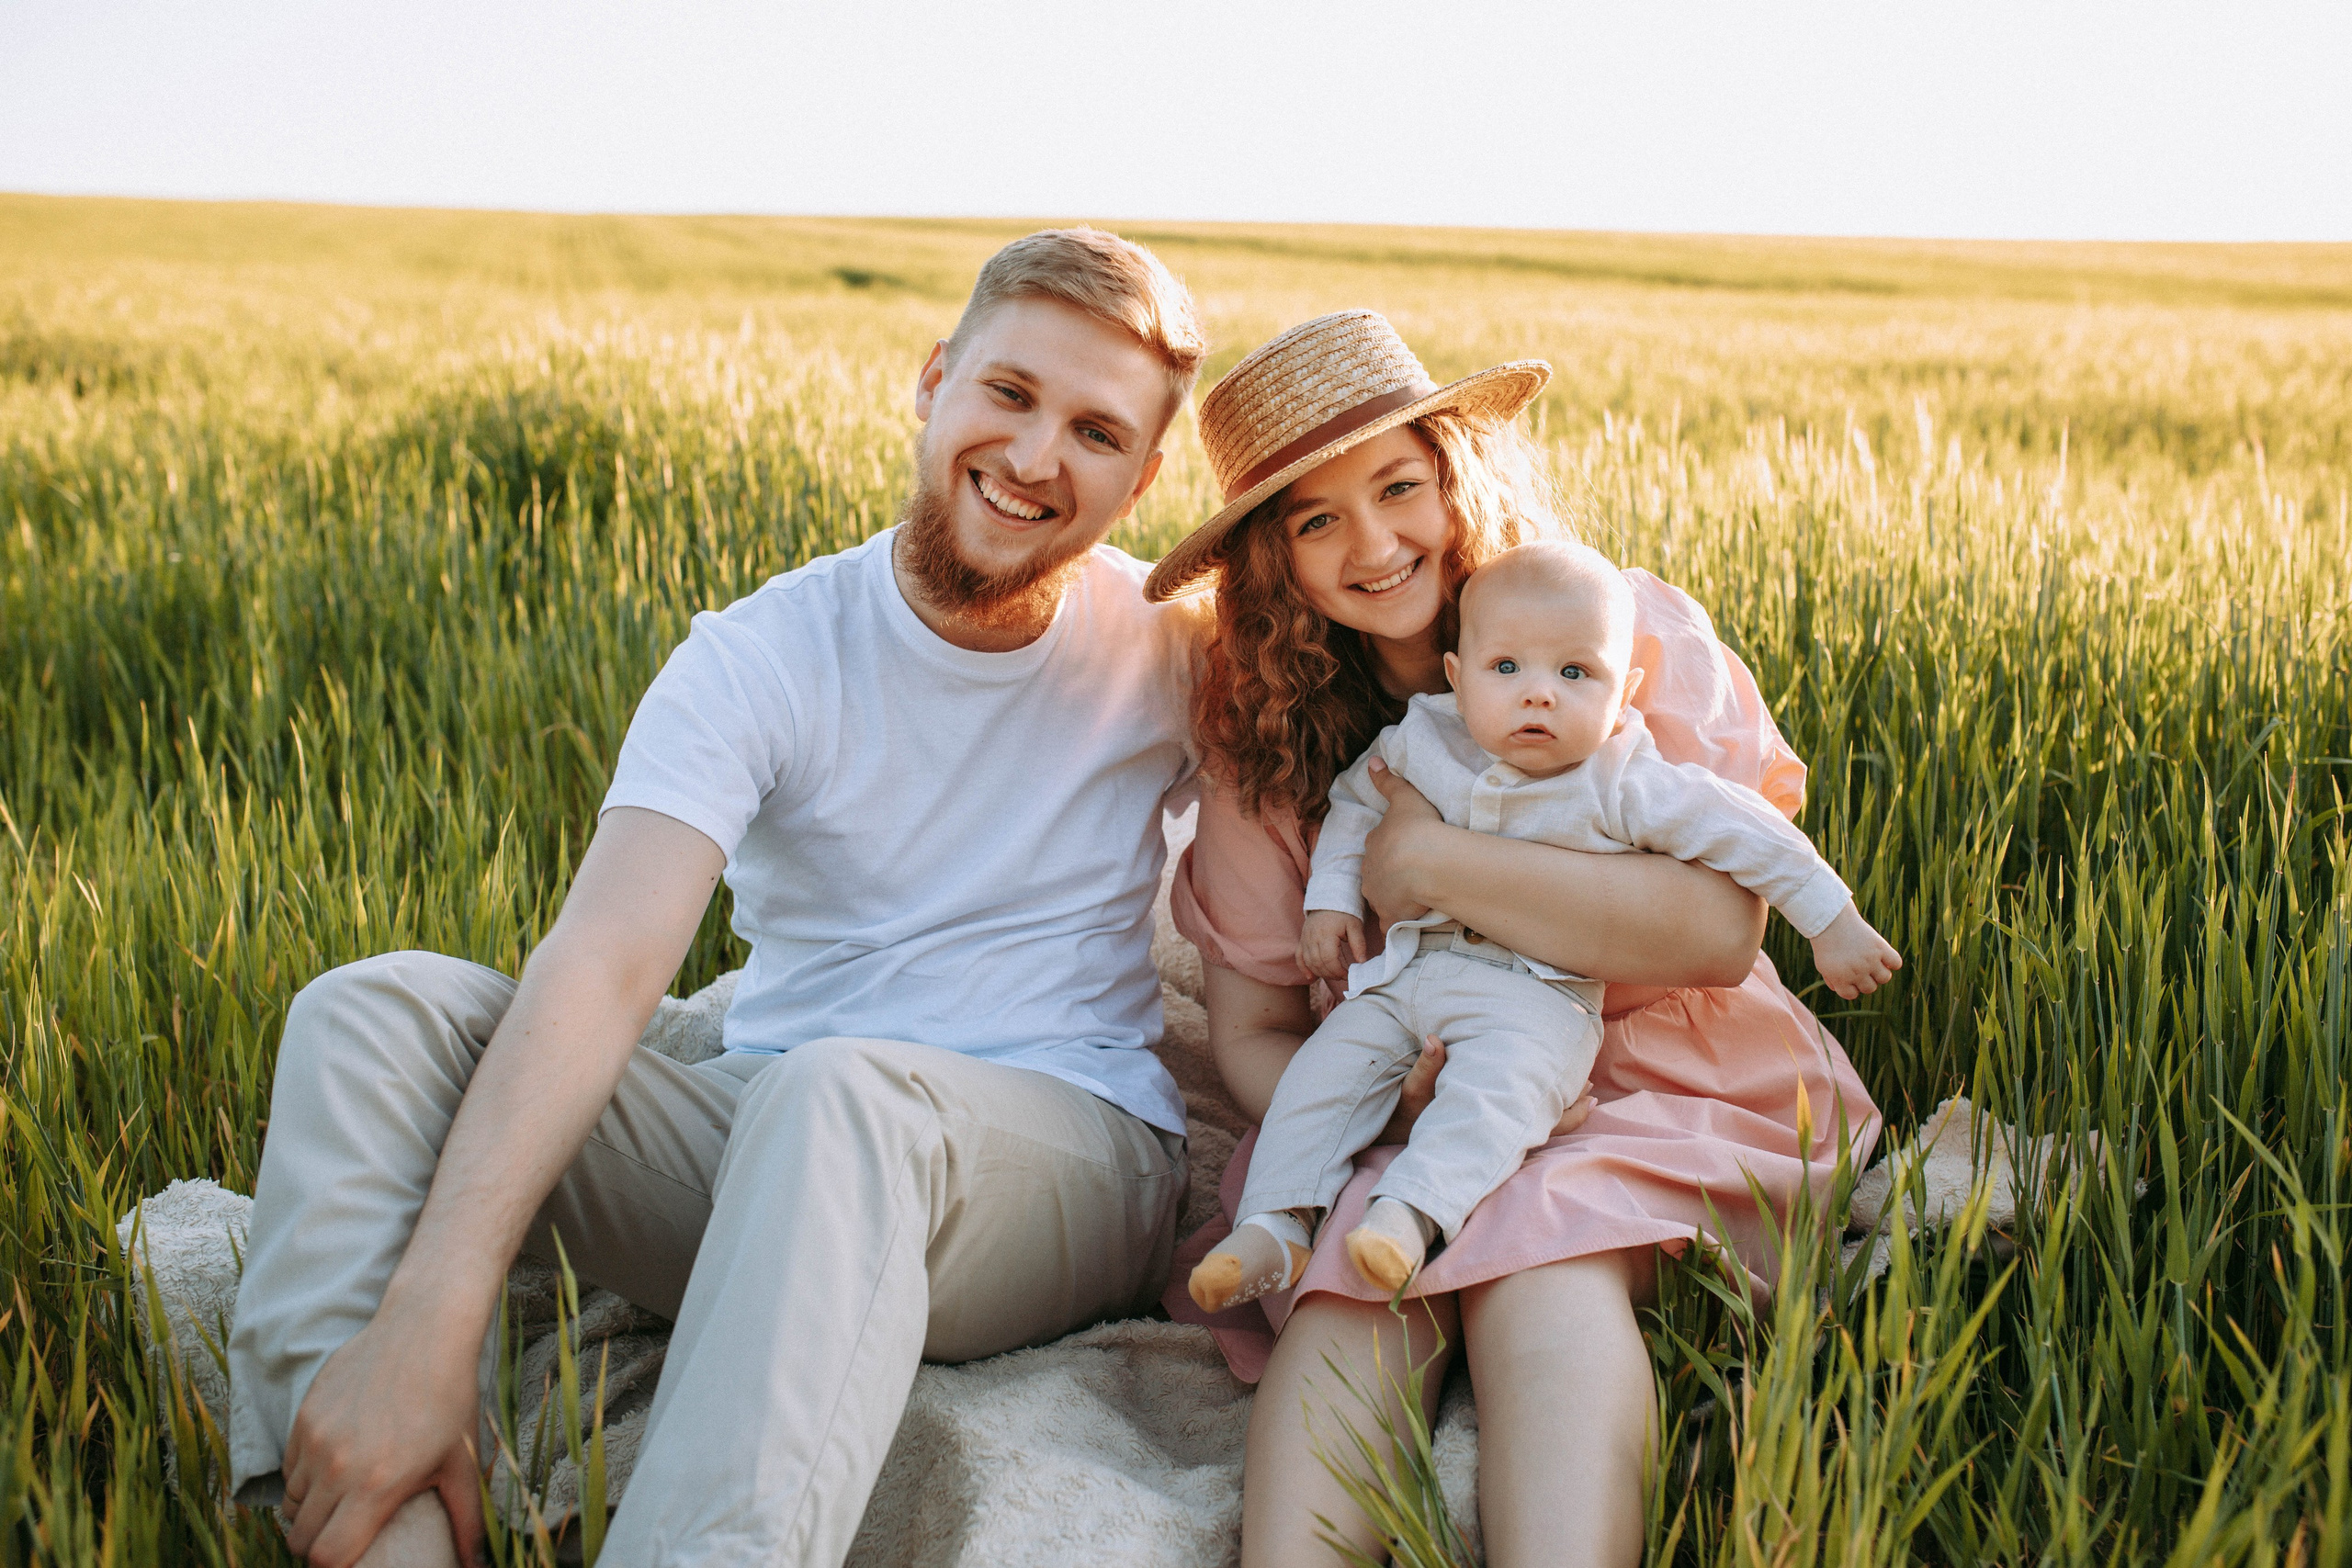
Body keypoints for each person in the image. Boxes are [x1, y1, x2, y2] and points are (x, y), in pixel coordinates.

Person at [228, 228, 1209, 1568]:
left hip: (1063, 1166)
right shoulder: (761, 654)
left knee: (844, 1094)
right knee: (369, 1014)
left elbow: (1423, 710)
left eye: (1096, 432)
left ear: (1143, 477)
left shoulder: (1175, 646)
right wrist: (435, 1312)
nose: (1038, 456)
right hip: (777, 1150)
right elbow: (607, 963)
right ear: (934, 380)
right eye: (1010, 392)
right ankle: (379, 1524)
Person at [1148, 310, 1883, 1568]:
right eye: (1317, 519)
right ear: (1274, 559)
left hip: (1664, 1079)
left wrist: (1428, 864)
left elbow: (1716, 931)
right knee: (1352, 1290)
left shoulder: (1607, 632)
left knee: (1545, 1251)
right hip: (1416, 1085)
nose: (1374, 542)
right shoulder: (1264, 738)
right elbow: (1254, 1028)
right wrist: (1384, 1104)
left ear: (1455, 475)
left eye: (1399, 486)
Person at [1188, 539, 1900, 1313]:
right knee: (1323, 1074)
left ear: (1622, 692)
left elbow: (1745, 831)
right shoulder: (1426, 737)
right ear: (1458, 677)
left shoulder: (1623, 776)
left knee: (1498, 1096)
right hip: (1408, 975)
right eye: (1506, 669)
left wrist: (1833, 920)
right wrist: (1329, 901)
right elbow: (1357, 806)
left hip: (1537, 999)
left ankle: (1409, 1215)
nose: (1539, 695)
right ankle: (1277, 1220)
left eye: (1574, 674)